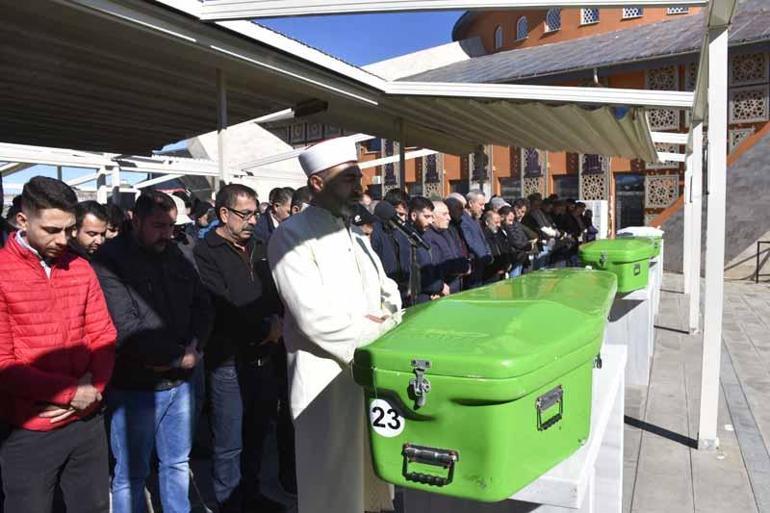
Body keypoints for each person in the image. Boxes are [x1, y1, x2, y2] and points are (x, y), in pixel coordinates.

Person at [268, 137, 402, 513]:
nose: (360, 187)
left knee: (373, 476)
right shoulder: (290, 235)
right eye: (349, 179)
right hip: (324, 377)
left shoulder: (354, 233)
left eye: (359, 178)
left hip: (368, 369)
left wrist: (388, 317)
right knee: (333, 483)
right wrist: (376, 330)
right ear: (317, 184)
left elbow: (388, 289)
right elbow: (312, 316)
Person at [92, 190, 213, 513]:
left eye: (171, 225)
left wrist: (195, 347)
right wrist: (177, 356)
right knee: (131, 473)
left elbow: (203, 305)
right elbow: (124, 327)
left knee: (176, 463)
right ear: (135, 220)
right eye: (158, 226)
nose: (167, 234)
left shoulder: (178, 253)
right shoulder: (109, 260)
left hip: (181, 382)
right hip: (135, 387)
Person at [0, 177, 116, 513]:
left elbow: (104, 336)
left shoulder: (80, 267)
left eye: (69, 229)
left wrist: (92, 390)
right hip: (30, 427)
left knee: (93, 506)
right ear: (22, 220)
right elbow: (4, 363)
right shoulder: (3, 273)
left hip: (87, 419)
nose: (63, 240)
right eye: (52, 230)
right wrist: (70, 393)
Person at [194, 184, 287, 513]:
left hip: (265, 356)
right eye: (244, 214)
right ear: (224, 214)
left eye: (255, 213)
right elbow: (220, 305)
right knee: (229, 439)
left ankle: (252, 493)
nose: (251, 220)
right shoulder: (206, 251)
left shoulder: (262, 246)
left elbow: (276, 291)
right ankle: (229, 502)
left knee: (258, 432)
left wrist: (276, 321)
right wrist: (264, 329)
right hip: (228, 360)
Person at [370, 188, 411, 301]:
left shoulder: (402, 231)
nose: (402, 220)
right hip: (384, 295)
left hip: (404, 292)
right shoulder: (374, 231)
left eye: (405, 215)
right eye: (399, 214)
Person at [423, 200, 469, 295]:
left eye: (448, 214)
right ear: (433, 217)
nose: (449, 218)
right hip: (442, 289)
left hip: (456, 285)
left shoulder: (447, 232)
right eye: (444, 214)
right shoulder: (427, 236)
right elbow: (437, 265)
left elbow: (458, 254)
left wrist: (465, 266)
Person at [408, 196, 446, 304]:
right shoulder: (408, 239)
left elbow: (436, 264)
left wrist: (438, 288)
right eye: (427, 216)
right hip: (418, 300)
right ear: (414, 216)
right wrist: (438, 287)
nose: (431, 221)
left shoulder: (427, 236)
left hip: (433, 296)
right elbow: (416, 275)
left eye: (432, 217)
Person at [461, 190, 492, 289]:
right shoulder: (463, 219)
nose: (483, 208)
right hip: (472, 266)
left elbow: (482, 239)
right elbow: (471, 242)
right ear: (470, 203)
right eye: (481, 204)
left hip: (480, 266)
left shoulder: (475, 219)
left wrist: (488, 254)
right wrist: (484, 256)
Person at [481, 210, 511, 283]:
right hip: (491, 273)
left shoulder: (499, 233)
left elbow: (505, 248)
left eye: (499, 222)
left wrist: (507, 264)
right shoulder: (484, 235)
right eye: (496, 222)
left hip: (503, 270)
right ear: (487, 223)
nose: (498, 225)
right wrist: (497, 268)